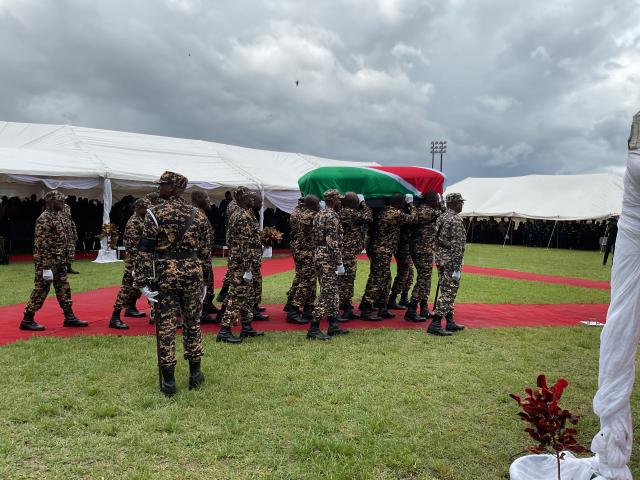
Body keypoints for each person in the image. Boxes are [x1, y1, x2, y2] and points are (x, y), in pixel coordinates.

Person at [135, 171, 211, 396]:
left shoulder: (155, 213)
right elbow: (205, 251)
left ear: (175, 188)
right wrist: (205, 278)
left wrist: (141, 282)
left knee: (166, 326)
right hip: (192, 275)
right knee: (192, 323)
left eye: (164, 185)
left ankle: (169, 380)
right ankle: (195, 373)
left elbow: (145, 250)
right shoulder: (198, 215)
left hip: (165, 276)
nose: (160, 188)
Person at [20, 191, 88, 331]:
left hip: (59, 261)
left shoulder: (59, 216)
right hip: (48, 262)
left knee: (64, 289)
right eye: (60, 200)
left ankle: (69, 317)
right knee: (41, 289)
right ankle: (27, 319)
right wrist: (45, 267)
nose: (63, 203)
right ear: (51, 201)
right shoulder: (44, 219)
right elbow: (41, 245)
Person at [216, 187, 265, 343]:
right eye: (250, 198)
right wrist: (248, 268)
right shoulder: (242, 216)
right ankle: (224, 330)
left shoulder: (246, 213)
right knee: (237, 297)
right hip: (243, 265)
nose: (253, 200)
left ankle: (247, 326)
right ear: (243, 199)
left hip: (244, 263)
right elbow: (243, 245)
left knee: (247, 297)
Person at [359, 193, 416, 320]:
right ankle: (366, 308)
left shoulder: (382, 211)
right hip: (382, 251)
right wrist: (411, 204)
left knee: (386, 279)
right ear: (399, 204)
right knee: (377, 279)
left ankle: (382, 307)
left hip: (380, 250)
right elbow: (413, 218)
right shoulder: (395, 213)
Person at [307, 189, 348, 339]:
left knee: (333, 291)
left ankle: (333, 325)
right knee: (328, 292)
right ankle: (314, 328)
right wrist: (339, 263)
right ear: (333, 201)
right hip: (328, 257)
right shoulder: (331, 216)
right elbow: (332, 241)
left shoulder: (319, 214)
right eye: (338, 199)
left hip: (319, 253)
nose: (340, 202)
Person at [428, 192, 466, 336]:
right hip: (450, 260)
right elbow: (457, 246)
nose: (462, 204)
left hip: (441, 258)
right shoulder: (455, 220)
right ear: (454, 203)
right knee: (450, 291)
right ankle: (436, 323)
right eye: (460, 202)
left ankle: (449, 321)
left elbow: (436, 239)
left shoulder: (442, 217)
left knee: (445, 289)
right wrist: (457, 268)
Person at [109, 198, 149, 329]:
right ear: (138, 208)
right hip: (134, 262)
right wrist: (137, 265)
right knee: (126, 289)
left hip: (141, 261)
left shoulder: (143, 220)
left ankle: (130, 308)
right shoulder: (134, 223)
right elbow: (132, 247)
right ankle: (115, 317)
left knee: (135, 288)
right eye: (145, 208)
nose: (147, 210)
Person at [405, 192, 441, 322]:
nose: (438, 201)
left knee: (426, 277)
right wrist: (440, 204)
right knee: (423, 279)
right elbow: (442, 214)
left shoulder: (424, 210)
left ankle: (424, 307)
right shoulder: (427, 211)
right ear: (432, 200)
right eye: (436, 199)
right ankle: (412, 309)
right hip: (422, 249)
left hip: (421, 248)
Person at [285, 195, 320, 324]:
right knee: (307, 280)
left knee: (303, 277)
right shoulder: (312, 216)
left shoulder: (297, 212)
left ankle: (307, 307)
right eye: (317, 204)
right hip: (307, 252)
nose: (319, 206)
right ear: (312, 205)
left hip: (299, 249)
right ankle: (294, 309)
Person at [338, 192, 372, 321]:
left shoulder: (344, 212)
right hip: (347, 253)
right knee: (347, 281)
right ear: (354, 203)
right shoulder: (348, 212)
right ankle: (346, 309)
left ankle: (346, 306)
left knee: (346, 281)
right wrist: (363, 203)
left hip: (346, 252)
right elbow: (368, 217)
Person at [191, 191, 217, 323]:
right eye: (207, 199)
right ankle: (201, 314)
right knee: (200, 288)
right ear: (200, 200)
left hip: (203, 259)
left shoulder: (199, 214)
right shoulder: (197, 216)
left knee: (205, 287)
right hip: (200, 260)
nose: (209, 201)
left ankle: (204, 309)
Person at [251, 192, 269, 321]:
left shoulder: (252, 215)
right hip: (249, 258)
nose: (261, 205)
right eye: (259, 202)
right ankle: (252, 310)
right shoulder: (245, 216)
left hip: (254, 256)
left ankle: (255, 306)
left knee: (257, 282)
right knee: (251, 284)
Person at [61, 201, 80, 274]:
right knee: (61, 251)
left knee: (70, 251)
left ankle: (69, 268)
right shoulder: (54, 209)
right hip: (61, 234)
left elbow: (72, 223)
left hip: (69, 234)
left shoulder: (67, 207)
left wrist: (75, 234)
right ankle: (61, 269)